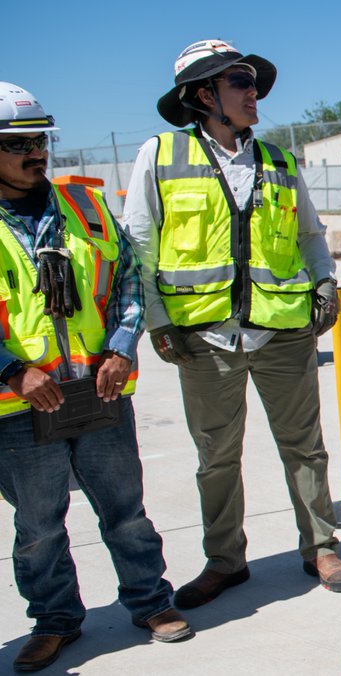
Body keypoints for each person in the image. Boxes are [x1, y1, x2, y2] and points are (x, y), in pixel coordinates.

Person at [122, 39, 341, 609]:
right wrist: (158, 322)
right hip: (202, 338)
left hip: (282, 331)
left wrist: (324, 284)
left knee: (304, 445)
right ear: (205, 95)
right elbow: (140, 243)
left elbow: (310, 237)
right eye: (241, 83)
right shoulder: (160, 155)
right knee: (216, 456)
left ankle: (320, 546)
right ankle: (225, 560)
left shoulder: (279, 160)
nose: (256, 94)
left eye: (254, 83)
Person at [0, 82, 191, 672]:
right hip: (19, 408)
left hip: (98, 390)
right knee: (39, 526)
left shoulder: (83, 206)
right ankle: (56, 621)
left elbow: (129, 279)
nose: (38, 153)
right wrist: (12, 373)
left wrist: (121, 347)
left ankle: (149, 601)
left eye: (41, 140)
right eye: (21, 143)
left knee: (125, 510)